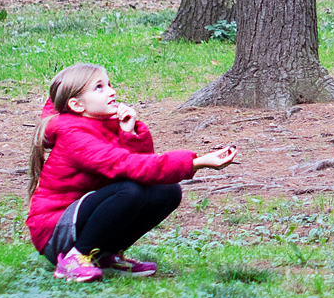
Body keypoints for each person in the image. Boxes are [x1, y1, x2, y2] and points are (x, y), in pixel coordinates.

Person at [27, 62, 236, 282]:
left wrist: (128, 133)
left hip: (81, 218)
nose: (112, 91)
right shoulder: (73, 135)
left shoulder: (103, 123)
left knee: (167, 192)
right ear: (76, 105)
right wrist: (196, 162)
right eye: (99, 87)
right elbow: (127, 166)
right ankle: (75, 258)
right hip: (55, 231)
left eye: (109, 84)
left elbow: (139, 168)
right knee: (129, 191)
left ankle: (104, 255)